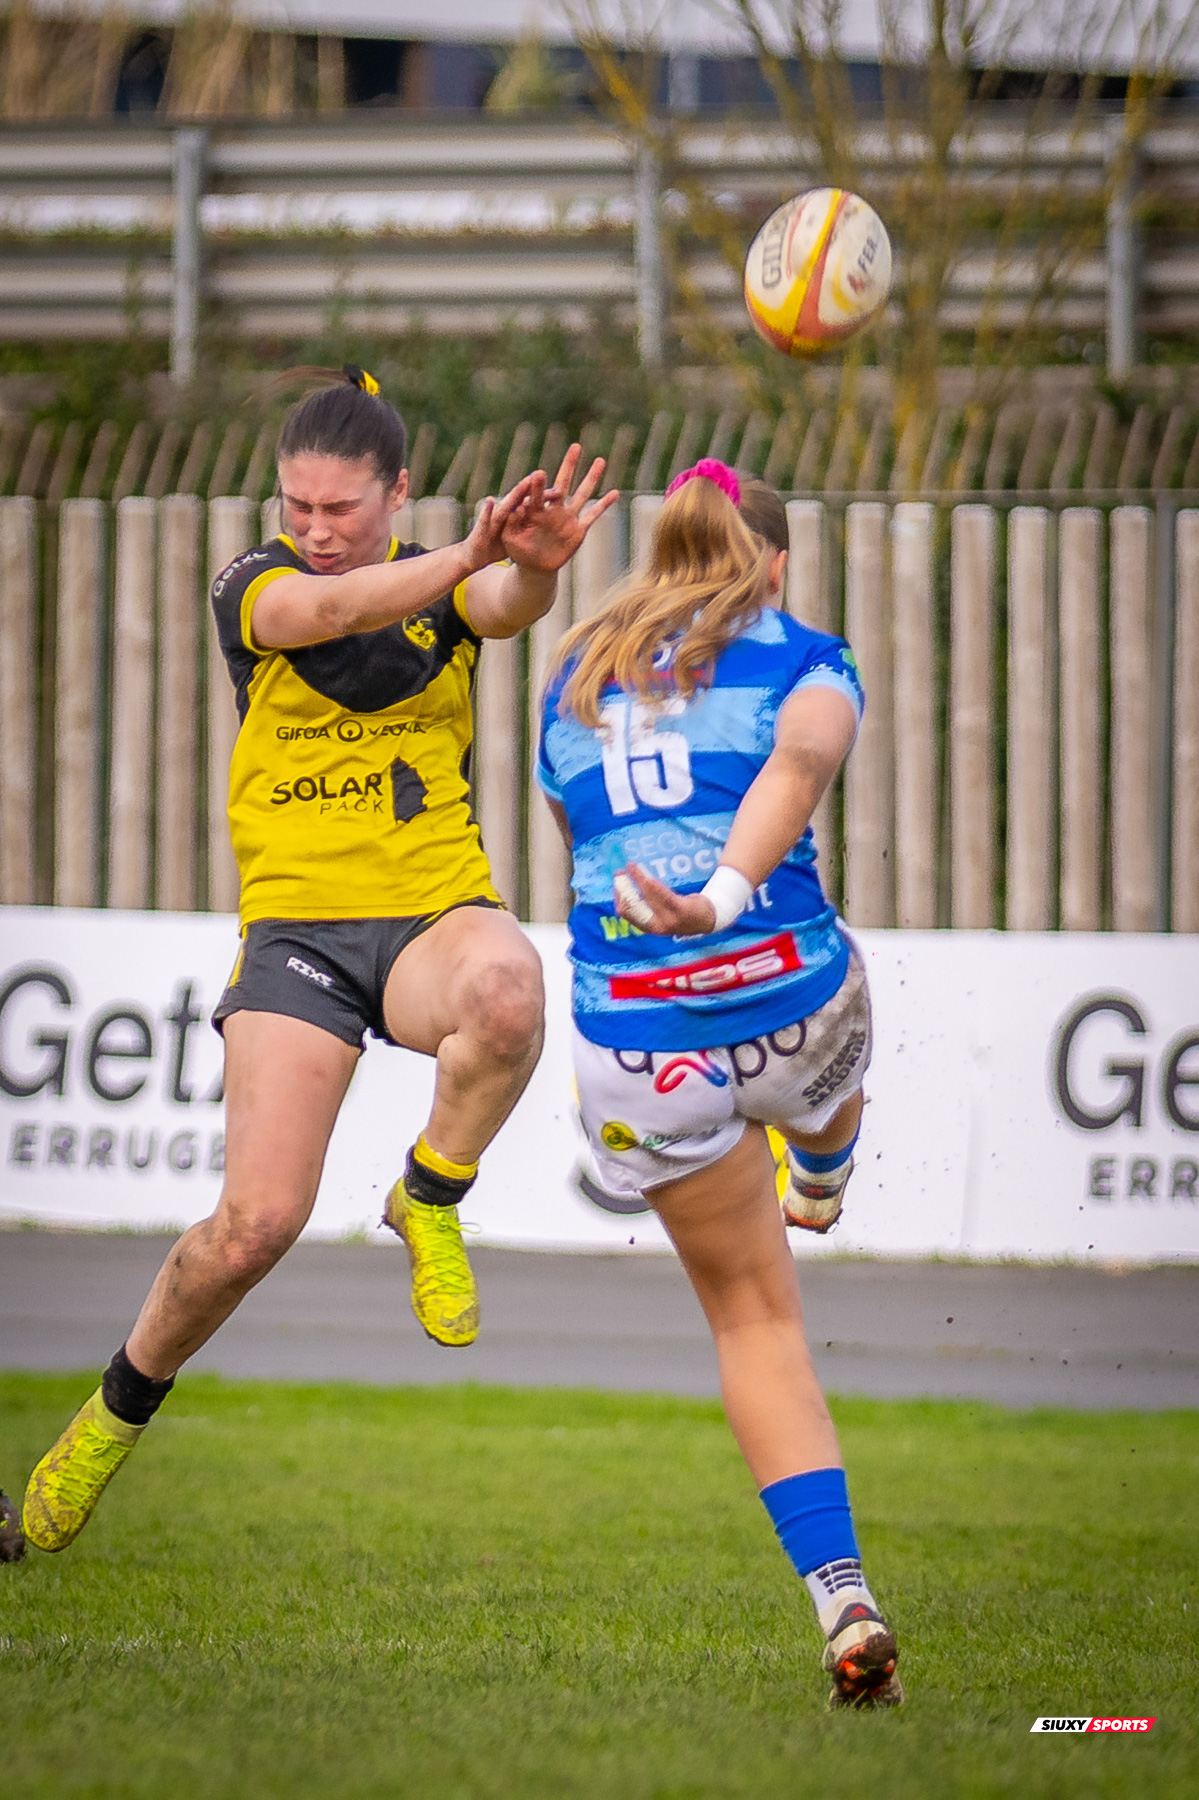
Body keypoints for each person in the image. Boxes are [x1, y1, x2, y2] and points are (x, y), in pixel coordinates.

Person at [22, 367, 617, 1556]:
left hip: (428, 913)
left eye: (339, 509)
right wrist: (461, 556)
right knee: (253, 1227)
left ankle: (429, 1195)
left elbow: (502, 603)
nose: (314, 530)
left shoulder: (439, 587)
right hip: (297, 933)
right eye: (297, 504)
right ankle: (108, 1417)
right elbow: (330, 616)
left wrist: (537, 561)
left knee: (508, 995)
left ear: (394, 492)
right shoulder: (256, 583)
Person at [536, 459, 901, 1709]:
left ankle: (840, 1595)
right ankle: (824, 1163)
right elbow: (796, 775)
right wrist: (717, 903)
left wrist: (666, 920)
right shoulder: (808, 657)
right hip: (782, 1002)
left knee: (753, 1317)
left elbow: (584, 851)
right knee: (841, 1005)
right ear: (776, 563)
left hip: (632, 1043)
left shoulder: (572, 674)